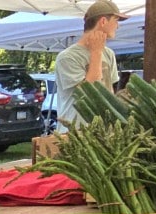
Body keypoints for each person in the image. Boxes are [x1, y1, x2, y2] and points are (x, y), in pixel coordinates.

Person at [53, 0, 129, 132]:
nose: (118, 26)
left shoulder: (109, 53)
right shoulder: (67, 57)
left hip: (103, 132)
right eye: (116, 20)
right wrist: (96, 52)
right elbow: (88, 93)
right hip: (74, 133)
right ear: (103, 21)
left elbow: (109, 93)